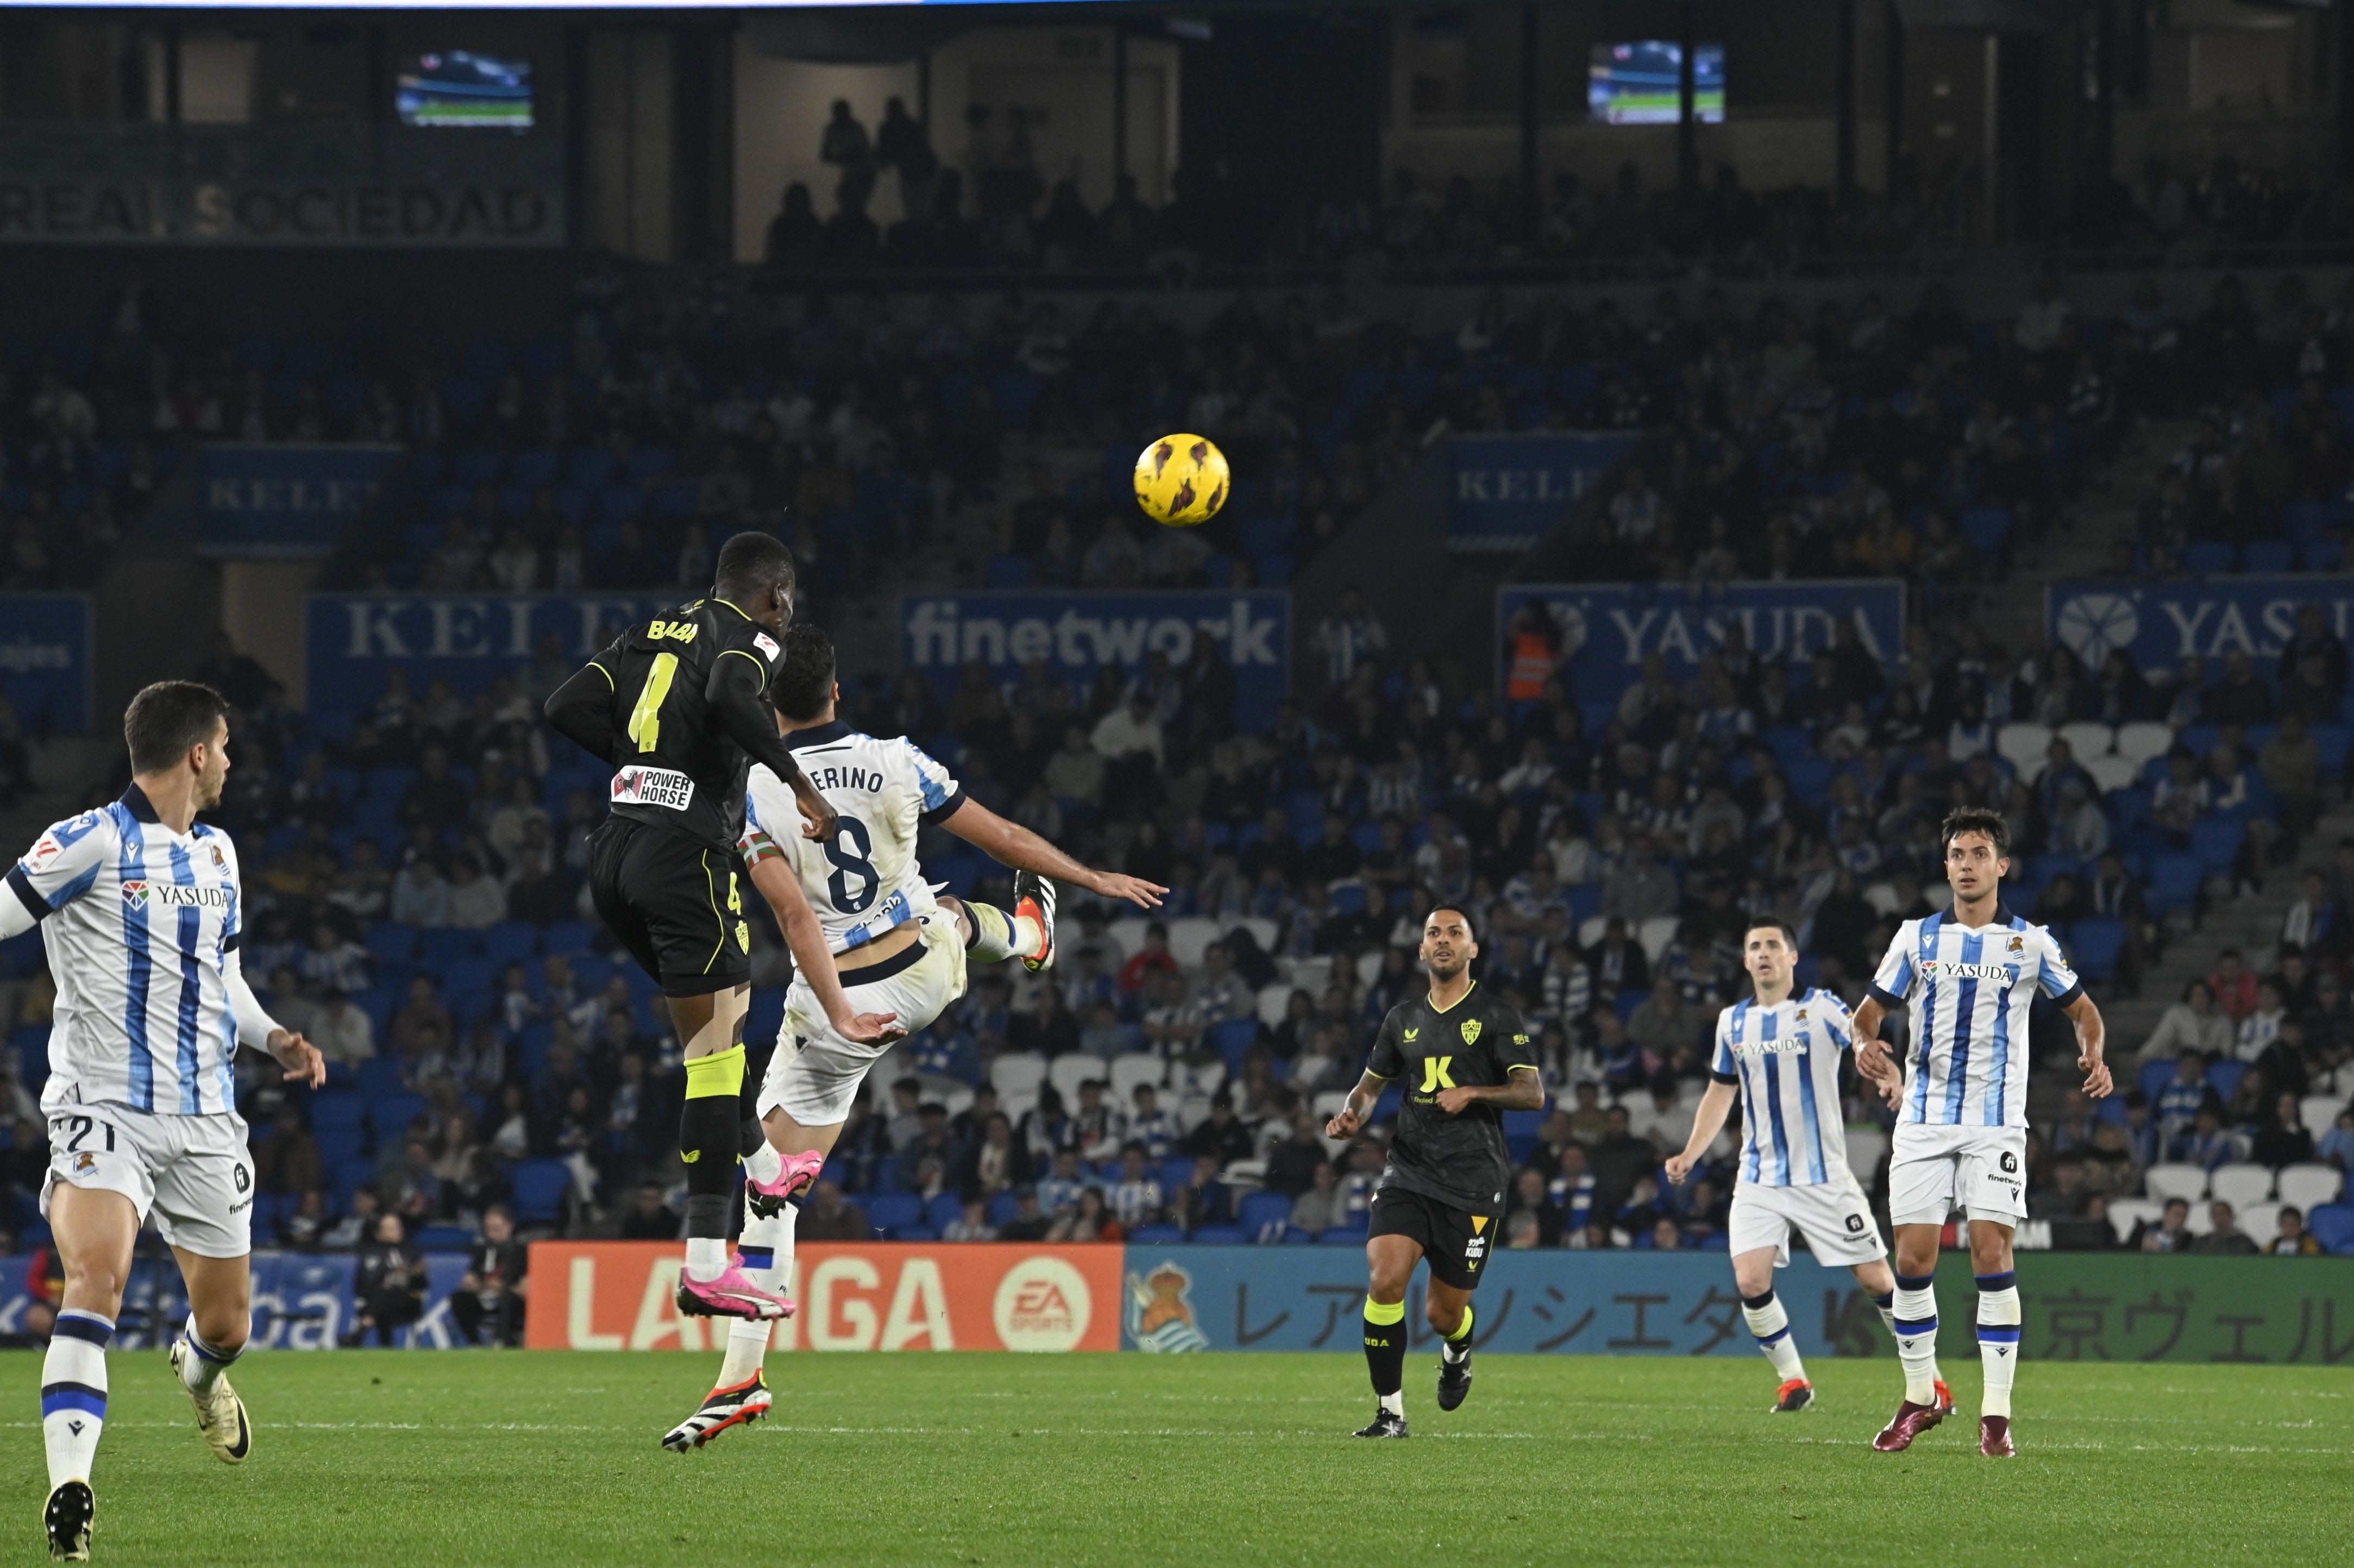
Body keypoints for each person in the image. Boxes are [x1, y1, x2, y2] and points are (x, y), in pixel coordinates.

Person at [661, 624, 1166, 1452]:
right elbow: (1003, 836)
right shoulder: (899, 758)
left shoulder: (752, 787)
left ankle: (740, 1376)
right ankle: (1031, 936)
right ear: (837, 693)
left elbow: (792, 916)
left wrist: (840, 1009)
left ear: (765, 705)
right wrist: (1092, 877)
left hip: (841, 1007)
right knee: (946, 911)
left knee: (769, 1190)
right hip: (923, 970)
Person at [542, 532, 903, 1329]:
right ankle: (709, 1261)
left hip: (615, 851)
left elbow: (563, 705)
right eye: (789, 597)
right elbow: (737, 699)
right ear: (774, 593)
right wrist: (799, 784)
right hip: (682, 856)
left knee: (716, 1031)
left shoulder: (653, 630)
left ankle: (768, 1168)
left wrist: (648, 762)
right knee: (716, 1051)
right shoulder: (753, 635)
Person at [0, 681, 324, 1558]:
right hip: (103, 1109)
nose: (230, 760)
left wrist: (274, 1038)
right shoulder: (87, 841)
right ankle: (71, 1488)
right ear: (194, 753)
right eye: (223, 746)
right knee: (93, 1284)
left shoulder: (218, 856)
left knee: (226, 1326)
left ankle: (198, 1371)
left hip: (205, 1120)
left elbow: (225, 980)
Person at [1854, 807, 2110, 1459]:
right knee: (1911, 1260)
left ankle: (1996, 1414)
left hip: (1995, 1122)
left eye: (1978, 853)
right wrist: (1867, 1048)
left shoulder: (2030, 943)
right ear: (1946, 867)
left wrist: (2094, 1052)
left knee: (1991, 1254)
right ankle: (1920, 1397)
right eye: (1957, 855)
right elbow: (1869, 1015)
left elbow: (2084, 1012)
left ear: (2002, 865)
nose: (1966, 865)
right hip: (1922, 1120)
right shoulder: (1915, 939)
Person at [1666, 918, 1911, 1415]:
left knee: (1878, 1283)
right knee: (1751, 1281)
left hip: (1822, 1175)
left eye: (1772, 945)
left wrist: (1889, 1074)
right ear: (1744, 960)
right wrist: (1691, 1152)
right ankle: (1793, 1381)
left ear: (1792, 957)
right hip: (1758, 1177)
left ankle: (1927, 1381)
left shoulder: (1821, 1008)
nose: (1762, 953)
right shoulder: (1731, 1022)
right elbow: (1720, 1091)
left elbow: (1862, 1041)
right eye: (1753, 946)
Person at [1322, 907, 1541, 1437]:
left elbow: (1531, 1093)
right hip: (1409, 1171)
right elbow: (1371, 1086)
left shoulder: (1495, 1015)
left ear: (1473, 950)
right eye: (1433, 934)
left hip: (1473, 1183)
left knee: (1442, 1315)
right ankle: (1390, 1413)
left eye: (1455, 933)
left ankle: (1458, 1350)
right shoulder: (1401, 1019)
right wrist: (1354, 1112)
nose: (1443, 941)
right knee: (1385, 1279)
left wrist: (1474, 1091)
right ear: (1421, 950)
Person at [344, 1213, 428, 1347]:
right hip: (377, 1301)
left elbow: (423, 1285)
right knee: (384, 1292)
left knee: (386, 1292)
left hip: (407, 1302)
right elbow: (362, 1286)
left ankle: (360, 1333)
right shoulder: (372, 1253)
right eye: (390, 1228)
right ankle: (385, 1346)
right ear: (379, 1233)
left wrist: (416, 1275)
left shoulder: (411, 1252)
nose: (396, 1231)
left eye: (398, 1227)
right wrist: (389, 1277)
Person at [451, 1204, 528, 1347]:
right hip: (484, 1295)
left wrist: (504, 1288)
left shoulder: (522, 1252)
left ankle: (503, 1340)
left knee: (509, 1299)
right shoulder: (483, 1250)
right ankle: (475, 1343)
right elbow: (471, 1277)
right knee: (459, 1298)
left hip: (509, 1298)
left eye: (497, 1228)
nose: (492, 1233)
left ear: (509, 1226)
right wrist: (473, 1283)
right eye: (489, 1229)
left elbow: (526, 1287)